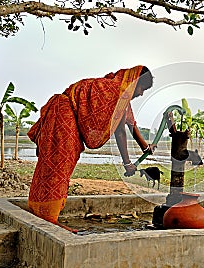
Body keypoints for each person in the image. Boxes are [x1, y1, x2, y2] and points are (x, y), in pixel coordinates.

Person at [27, 65, 156, 232]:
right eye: (141, 88)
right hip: (63, 116)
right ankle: (48, 219)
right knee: (57, 168)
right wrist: (127, 162)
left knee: (54, 167)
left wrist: (145, 147)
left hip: (64, 115)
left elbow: (130, 125)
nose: (140, 94)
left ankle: (43, 214)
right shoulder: (115, 91)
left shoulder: (119, 94)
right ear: (134, 82)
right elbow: (120, 131)